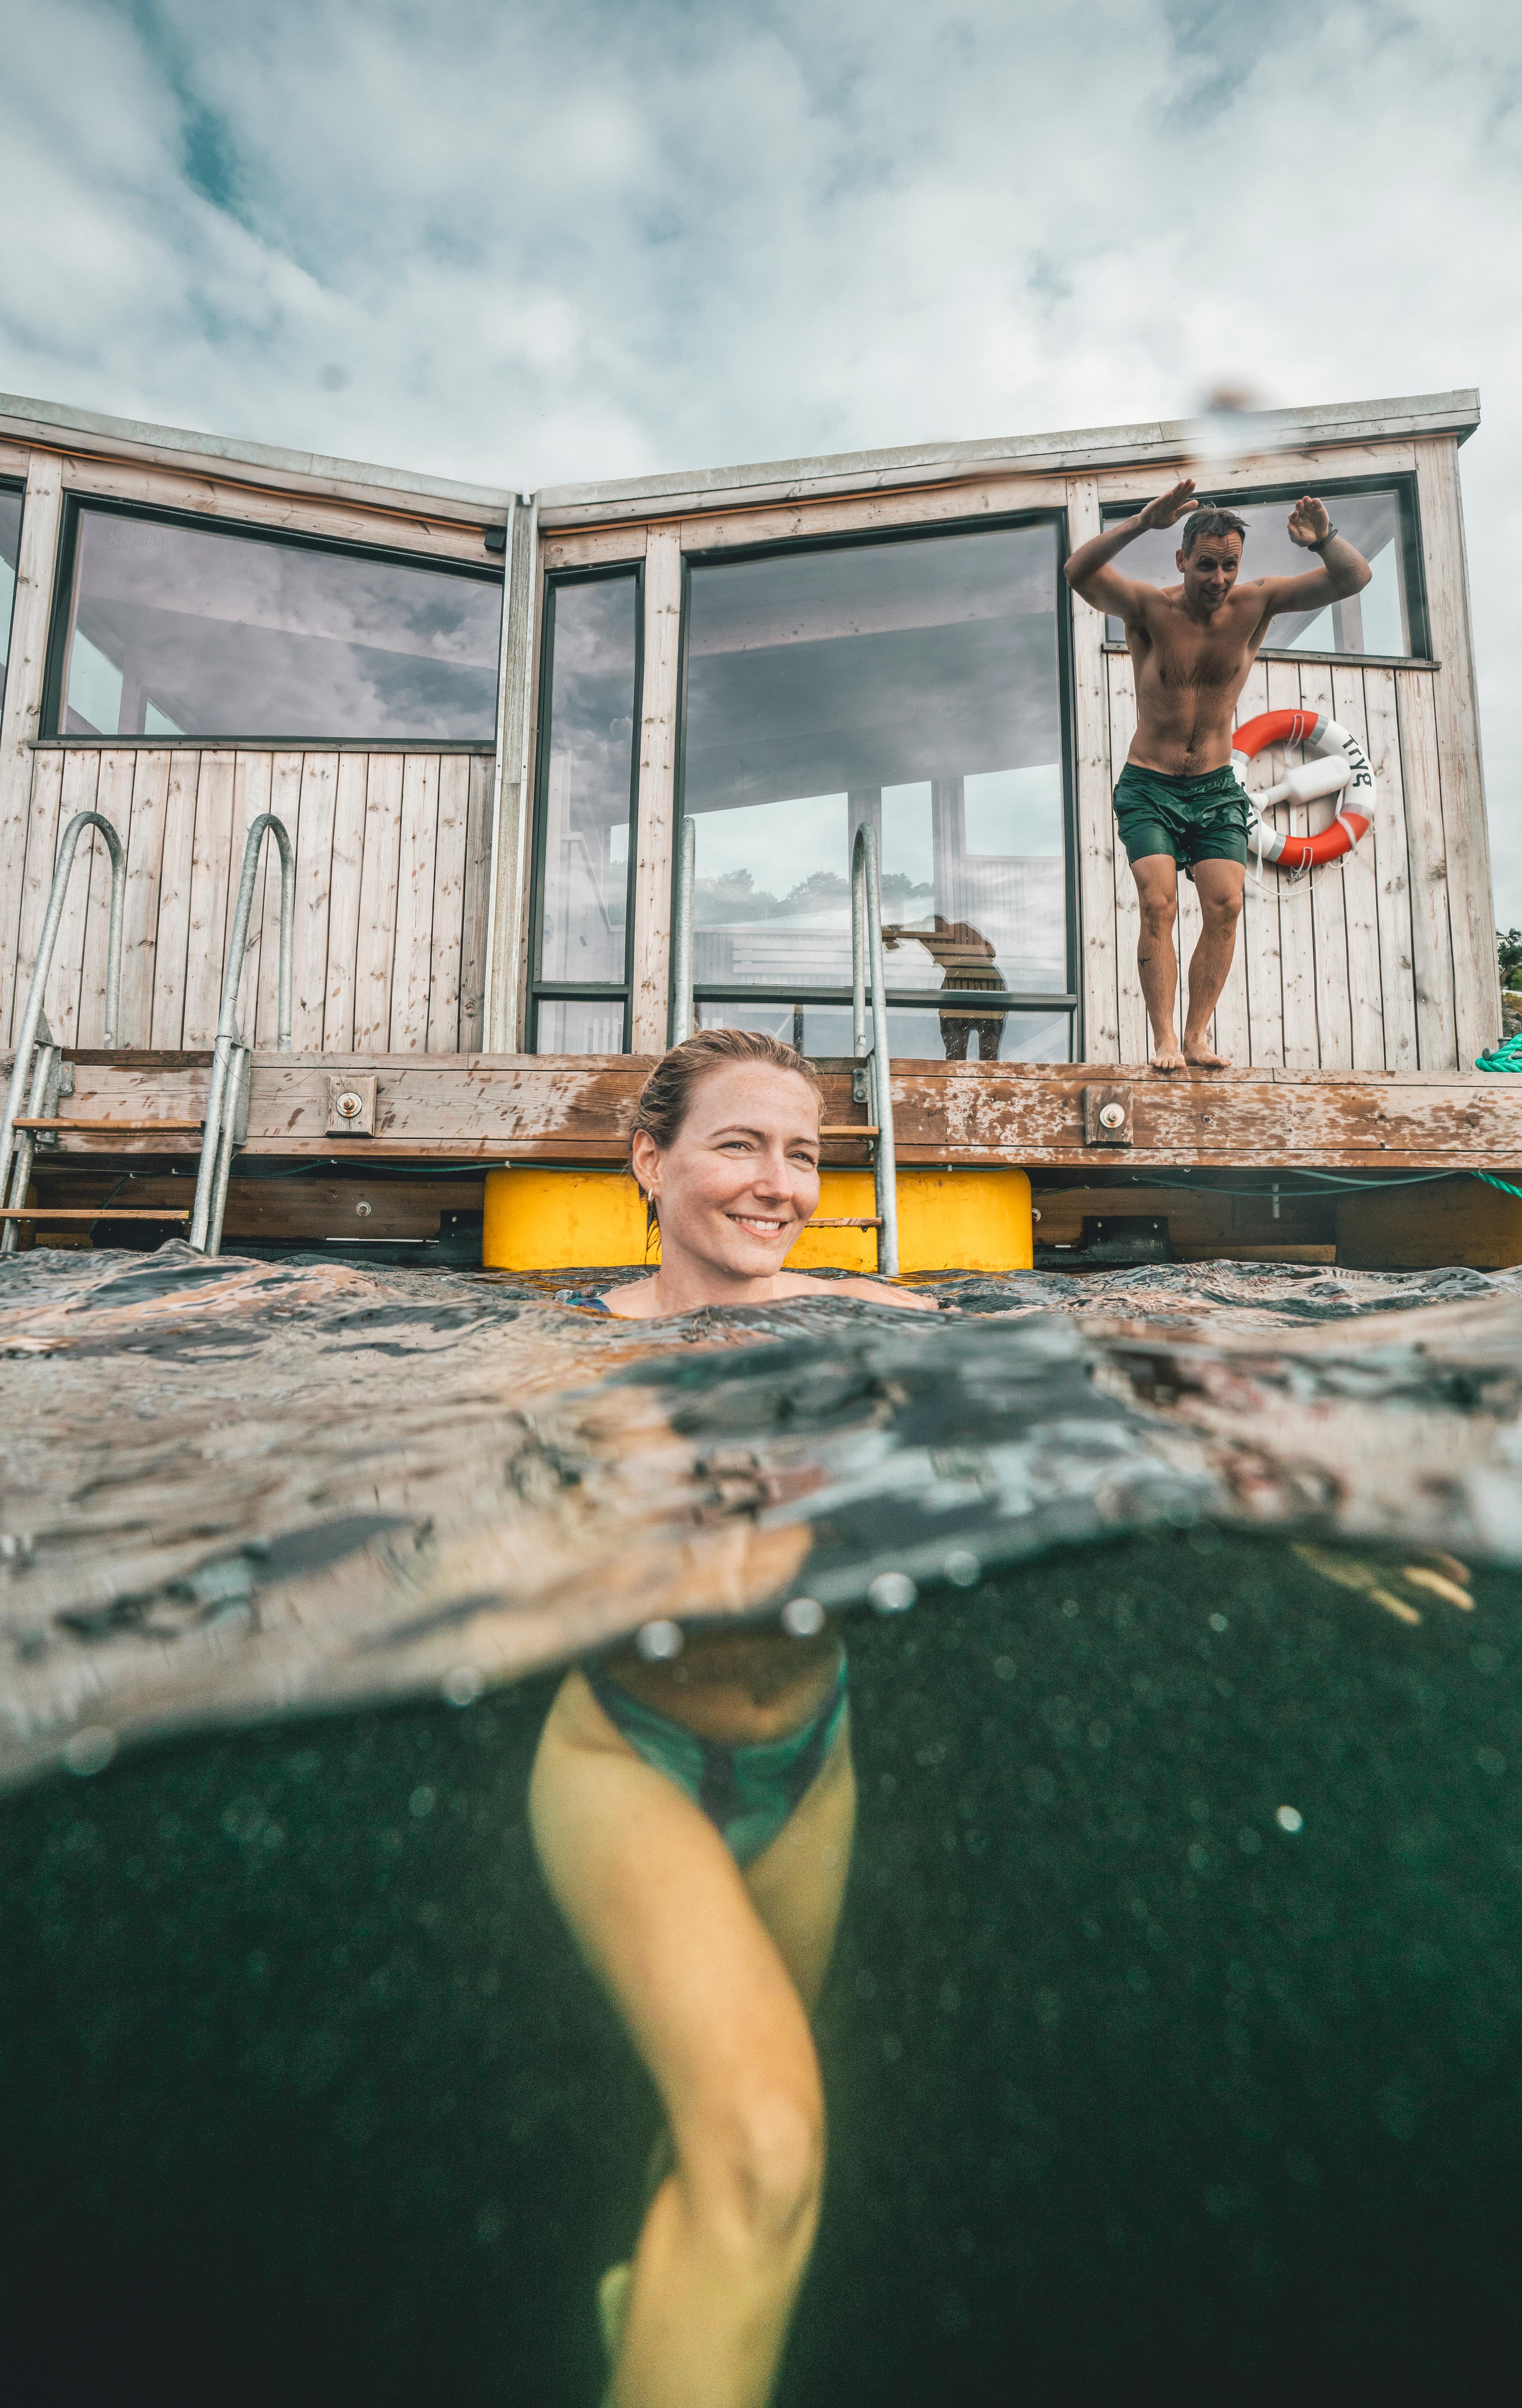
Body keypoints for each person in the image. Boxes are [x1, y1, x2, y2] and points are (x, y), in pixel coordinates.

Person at [529, 1030, 932, 2408]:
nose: (780, 1181)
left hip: (812, 1764)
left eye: (805, 1150)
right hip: (624, 1755)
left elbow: (1108, 1367)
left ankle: (652, 2311)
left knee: (714, 2142)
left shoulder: (863, 1315)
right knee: (765, 2152)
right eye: (739, 1143)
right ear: (649, 1161)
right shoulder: (563, 1349)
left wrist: (1288, 1491)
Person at [1063, 481, 1373, 1071]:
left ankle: (1198, 1036)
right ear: (1182, 561)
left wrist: (1325, 538)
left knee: (1226, 904)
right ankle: (1165, 1041)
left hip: (1214, 786)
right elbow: (1078, 572)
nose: (1218, 579)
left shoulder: (1256, 604)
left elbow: (1353, 578)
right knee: (1158, 903)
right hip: (1150, 784)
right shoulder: (1150, 608)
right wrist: (1139, 524)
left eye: (1229, 565)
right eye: (1206, 565)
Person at [880, 915, 1005, 1059]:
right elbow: (992, 952)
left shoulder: (938, 929)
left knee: (954, 1054)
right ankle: (988, 1075)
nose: (937, 961)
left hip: (960, 979)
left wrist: (890, 933)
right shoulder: (968, 931)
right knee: (989, 1055)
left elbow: (910, 929)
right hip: (992, 981)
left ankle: (954, 1074)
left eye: (937, 959)